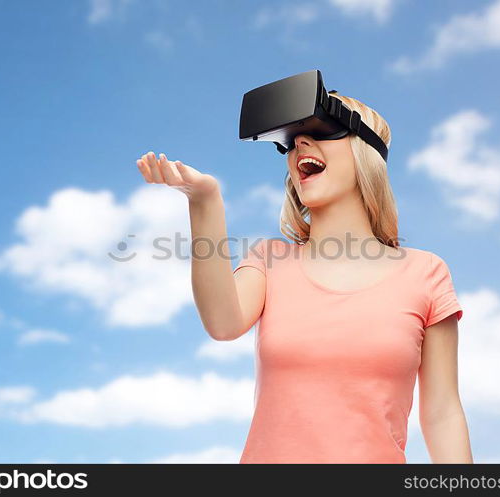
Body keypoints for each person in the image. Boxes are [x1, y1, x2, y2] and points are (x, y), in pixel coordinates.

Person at [134, 92, 473, 464]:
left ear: (366, 153)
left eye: (321, 130)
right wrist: (204, 201)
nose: (299, 145)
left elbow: (442, 413)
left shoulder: (425, 273)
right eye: (290, 142)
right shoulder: (270, 260)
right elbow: (222, 322)